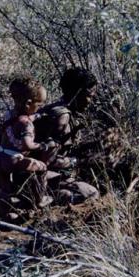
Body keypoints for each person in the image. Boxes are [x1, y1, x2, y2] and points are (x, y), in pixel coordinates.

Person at [0, 76, 57, 221]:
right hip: (13, 159)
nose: (39, 107)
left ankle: (6, 214)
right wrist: (43, 146)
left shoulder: (10, 114)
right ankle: (40, 198)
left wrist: (38, 115)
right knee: (42, 168)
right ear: (29, 103)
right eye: (39, 105)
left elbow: (23, 118)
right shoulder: (27, 124)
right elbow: (27, 144)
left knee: (5, 186)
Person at [34, 68, 100, 203]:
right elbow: (47, 161)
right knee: (91, 194)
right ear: (76, 93)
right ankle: (44, 197)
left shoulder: (58, 109)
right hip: (37, 173)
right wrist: (76, 162)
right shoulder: (62, 117)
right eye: (89, 96)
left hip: (39, 171)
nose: (91, 101)